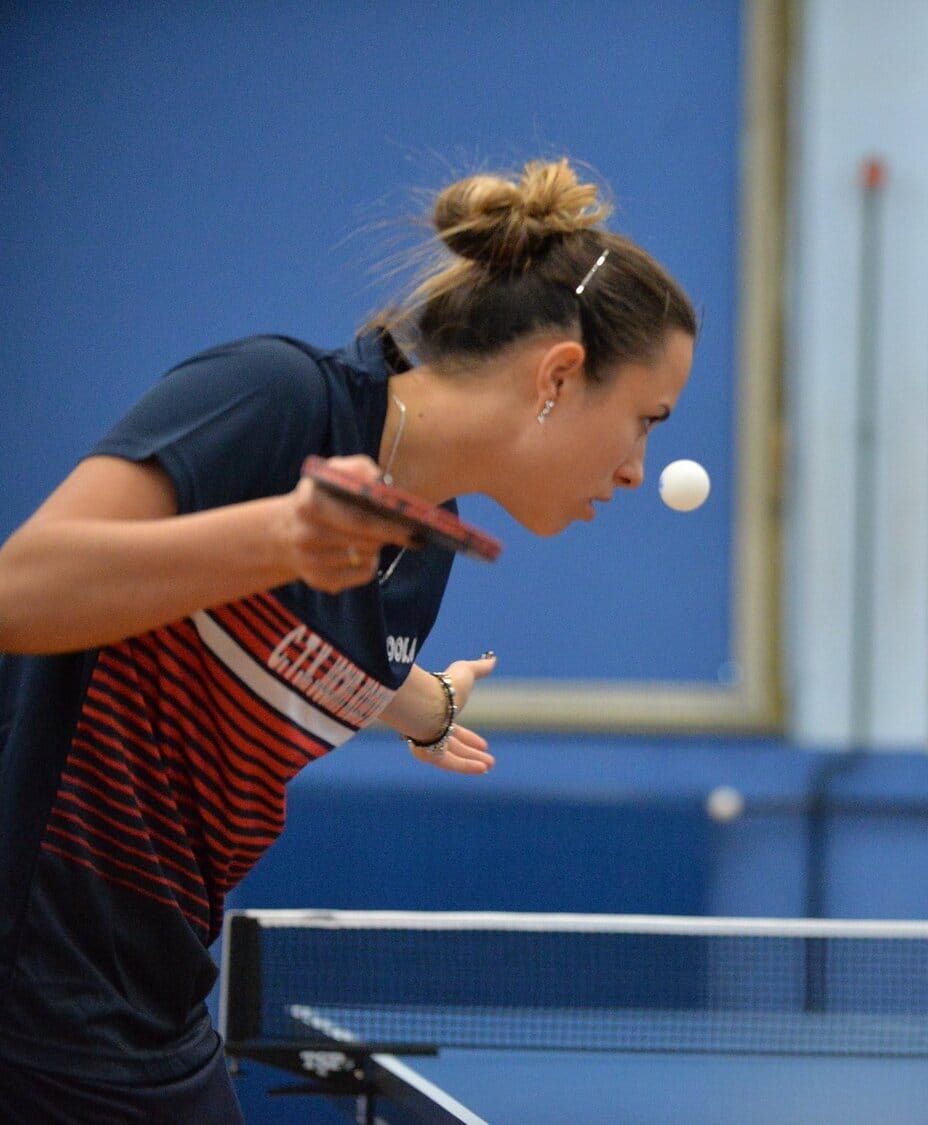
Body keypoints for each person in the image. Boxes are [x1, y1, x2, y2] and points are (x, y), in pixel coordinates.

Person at [0, 157, 698, 1120]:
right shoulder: (277, 399)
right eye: (643, 421)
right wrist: (273, 535)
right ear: (560, 374)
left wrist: (429, 707)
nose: (636, 469)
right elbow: (17, 589)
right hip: (29, 996)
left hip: (151, 1007)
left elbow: (322, 652)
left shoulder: (422, 545)